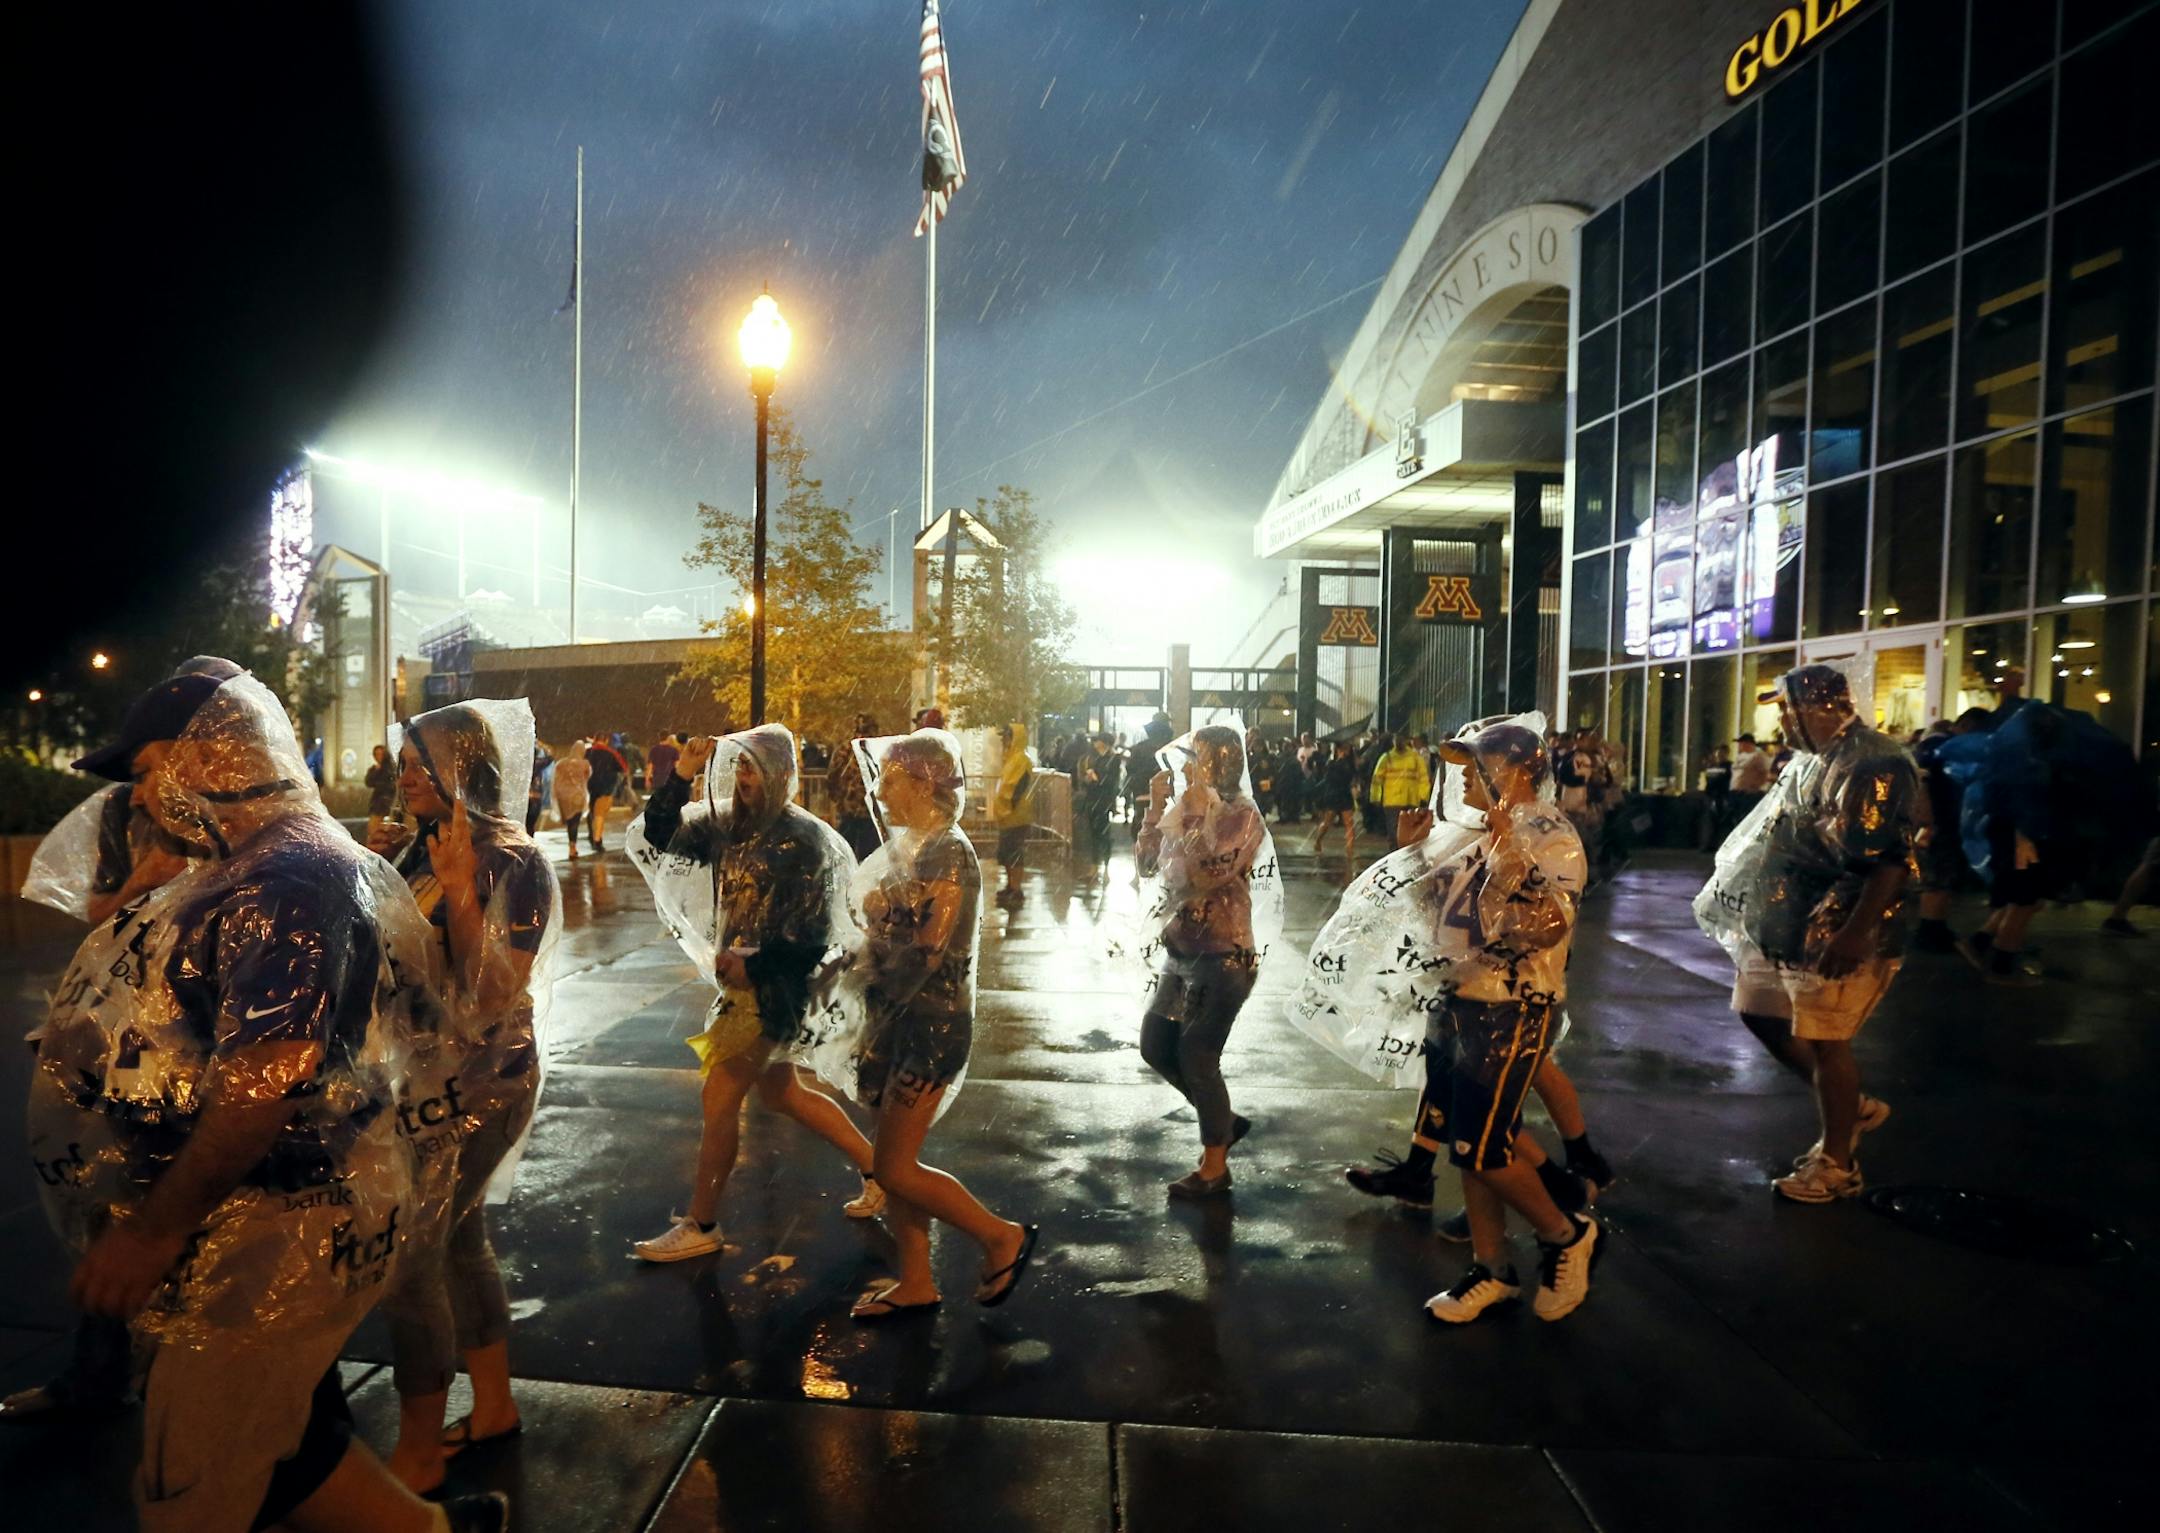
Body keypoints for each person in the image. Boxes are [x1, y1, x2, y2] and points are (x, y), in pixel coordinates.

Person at [27, 663, 506, 1532]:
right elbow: (229, 1033)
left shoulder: (283, 881)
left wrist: (154, 1229)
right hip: (269, 1207)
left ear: (207, 754)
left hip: (280, 1219)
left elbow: (269, 1077)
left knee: (190, 1482)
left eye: (144, 772)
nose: (138, 800)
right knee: (286, 1446)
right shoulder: (252, 867)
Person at [1295, 716, 1599, 1323]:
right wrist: (1410, 854)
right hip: (1462, 1003)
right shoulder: (1478, 834)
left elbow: (1543, 926)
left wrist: (1507, 853)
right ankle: (1493, 1270)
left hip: (1514, 1010)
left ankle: (1566, 1236)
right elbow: (1441, 920)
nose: (1459, 782)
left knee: (1484, 1149)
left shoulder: (1547, 835)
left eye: (1473, 770)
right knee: (1468, 1147)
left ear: (1511, 773)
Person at [367, 703, 559, 1495]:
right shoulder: (428, 844)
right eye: (405, 761)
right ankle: (493, 1404)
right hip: (421, 1078)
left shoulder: (514, 861)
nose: (405, 774)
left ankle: (416, 1448)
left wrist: (456, 891)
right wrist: (374, 871)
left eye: (421, 761)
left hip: (479, 1084)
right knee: (456, 1242)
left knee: (413, 1261)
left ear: (464, 768)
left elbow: (492, 992)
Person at [627, 726, 882, 1262]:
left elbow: (815, 938)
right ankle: (879, 1169)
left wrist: (756, 965)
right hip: (746, 985)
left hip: (775, 991)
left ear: (784, 776)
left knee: (719, 1096)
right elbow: (658, 835)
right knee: (782, 1092)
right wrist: (680, 776)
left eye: (756, 769)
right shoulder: (726, 829)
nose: (745, 779)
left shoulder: (803, 842)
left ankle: (702, 1223)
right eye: (740, 767)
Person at [1694, 665, 1919, 1204]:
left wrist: (1854, 932)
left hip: (1835, 929)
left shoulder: (1872, 763)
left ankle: (1838, 1163)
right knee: (1758, 1012)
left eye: (1786, 708)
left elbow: (1888, 860)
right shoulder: (1809, 760)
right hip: (1787, 924)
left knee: (1826, 1039)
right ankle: (1851, 1106)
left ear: (1820, 707)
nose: (1780, 718)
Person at [838, 727, 1038, 1319]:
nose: (881, 789)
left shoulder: (947, 851)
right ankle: (917, 1280)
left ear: (924, 783)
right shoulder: (914, 850)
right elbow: (892, 935)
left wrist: (870, 951)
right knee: (893, 1162)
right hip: (898, 1020)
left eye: (891, 778)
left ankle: (1001, 1237)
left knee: (894, 1166)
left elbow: (928, 949)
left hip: (931, 1026)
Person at [1133, 724, 1280, 1197]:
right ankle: (1222, 1122)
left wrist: (1195, 815)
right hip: (1181, 951)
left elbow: (1209, 872)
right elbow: (1146, 865)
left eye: (1198, 760)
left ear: (1221, 764)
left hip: (1224, 954)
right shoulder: (1183, 809)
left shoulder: (1242, 815)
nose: (1188, 770)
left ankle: (1214, 1166)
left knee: (1198, 1055)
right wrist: (1156, 809)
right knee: (1156, 1046)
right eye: (1187, 760)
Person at [1951, 701, 2153, 986]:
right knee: (2025, 901)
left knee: (2020, 898)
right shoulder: (2029, 765)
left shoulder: (2010, 757)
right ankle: (2001, 966)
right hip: (2026, 838)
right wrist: (2025, 837)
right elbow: (2025, 802)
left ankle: (1980, 943)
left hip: (2017, 834)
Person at [1909, 709, 1995, 952]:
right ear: (1966, 725)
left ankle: (1935, 926)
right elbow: (1922, 781)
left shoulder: (1941, 746)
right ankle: (1930, 930)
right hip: (1939, 820)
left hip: (1945, 819)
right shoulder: (1938, 746)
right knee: (1938, 875)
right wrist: (1927, 818)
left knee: (1943, 874)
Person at [991, 721, 1037, 906]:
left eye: (1007, 736)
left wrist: (1008, 807)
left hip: (1016, 816)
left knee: (1014, 853)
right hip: (1008, 816)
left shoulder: (1020, 759)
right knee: (1006, 853)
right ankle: (1011, 886)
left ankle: (1016, 888)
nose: (1004, 740)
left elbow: (1017, 788)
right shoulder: (1012, 758)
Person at [827, 713, 882, 861]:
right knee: (869, 855)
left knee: (845, 852)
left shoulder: (845, 749)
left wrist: (836, 796)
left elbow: (832, 776)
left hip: (850, 809)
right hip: (867, 810)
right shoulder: (876, 750)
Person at [1369, 730, 1433, 845]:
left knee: (1409, 832)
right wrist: (1375, 797)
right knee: (1394, 833)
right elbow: (1376, 780)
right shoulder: (1387, 758)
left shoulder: (1415, 757)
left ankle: (1404, 853)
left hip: (1410, 800)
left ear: (1406, 741)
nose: (1398, 742)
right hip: (1392, 801)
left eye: (1401, 739)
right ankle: (1396, 853)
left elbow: (1424, 778)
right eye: (1396, 740)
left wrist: (1423, 796)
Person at [1309, 739, 1360, 860]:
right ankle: (1318, 840)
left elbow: (1352, 776)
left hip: (1345, 794)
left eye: (1348, 748)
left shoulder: (1350, 762)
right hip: (1333, 794)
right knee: (1327, 822)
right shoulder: (1331, 762)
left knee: (1349, 823)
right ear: (1338, 749)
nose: (1346, 751)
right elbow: (1330, 777)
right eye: (1343, 748)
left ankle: (1350, 850)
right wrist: (1339, 761)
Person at [1076, 733, 1121, 867]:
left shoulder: (1113, 758)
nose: (1095, 743)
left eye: (1098, 740)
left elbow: (1112, 780)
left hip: (1104, 800)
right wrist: (1087, 779)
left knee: (1103, 833)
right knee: (1093, 833)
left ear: (1104, 742)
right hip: (1092, 798)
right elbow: (1084, 779)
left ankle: (1105, 865)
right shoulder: (1091, 757)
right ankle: (1095, 866)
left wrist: (1097, 779)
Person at [584, 732, 627, 850]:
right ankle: (597, 841)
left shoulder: (587, 752)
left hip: (588, 786)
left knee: (590, 811)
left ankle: (591, 834)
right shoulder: (612, 753)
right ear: (606, 740)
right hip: (605, 787)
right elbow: (623, 768)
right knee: (599, 814)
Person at [552, 738, 592, 859]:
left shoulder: (561, 763)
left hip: (563, 796)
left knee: (570, 822)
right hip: (577, 796)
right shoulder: (585, 764)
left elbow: (555, 780)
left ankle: (572, 845)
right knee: (575, 822)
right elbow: (587, 777)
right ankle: (572, 847)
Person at [1698, 744, 1732, 851]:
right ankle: (1709, 844)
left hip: (1722, 796)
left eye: (1721, 753)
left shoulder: (1728, 766)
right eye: (1718, 753)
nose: (1719, 755)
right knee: (1710, 821)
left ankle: (1714, 844)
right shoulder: (1713, 766)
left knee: (1719, 822)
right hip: (1712, 796)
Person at [365, 742, 399, 838]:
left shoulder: (390, 768)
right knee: (373, 830)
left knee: (385, 830)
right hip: (378, 803)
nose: (378, 757)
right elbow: (368, 782)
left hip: (387, 803)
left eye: (381, 754)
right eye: (376, 754)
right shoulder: (375, 769)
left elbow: (390, 784)